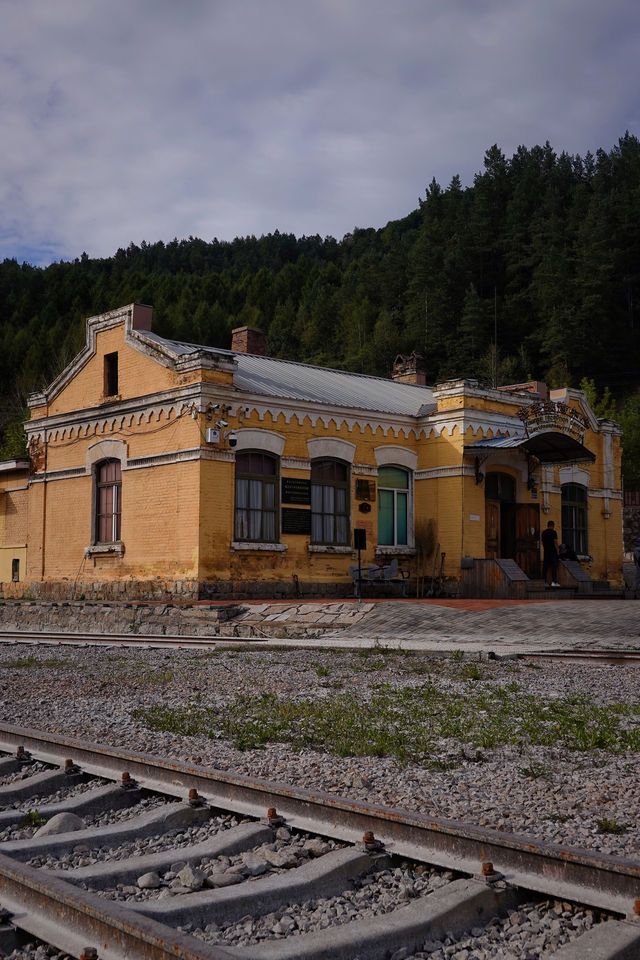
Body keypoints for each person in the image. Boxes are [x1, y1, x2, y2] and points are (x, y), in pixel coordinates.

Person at [541, 519, 560, 587]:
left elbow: (542, 543)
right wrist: (558, 551)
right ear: (553, 526)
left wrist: (545, 548)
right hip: (553, 552)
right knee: (554, 567)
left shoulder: (543, 533)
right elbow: (555, 542)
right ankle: (554, 582)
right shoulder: (553, 532)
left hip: (546, 552)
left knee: (545, 567)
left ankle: (544, 582)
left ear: (548, 525)